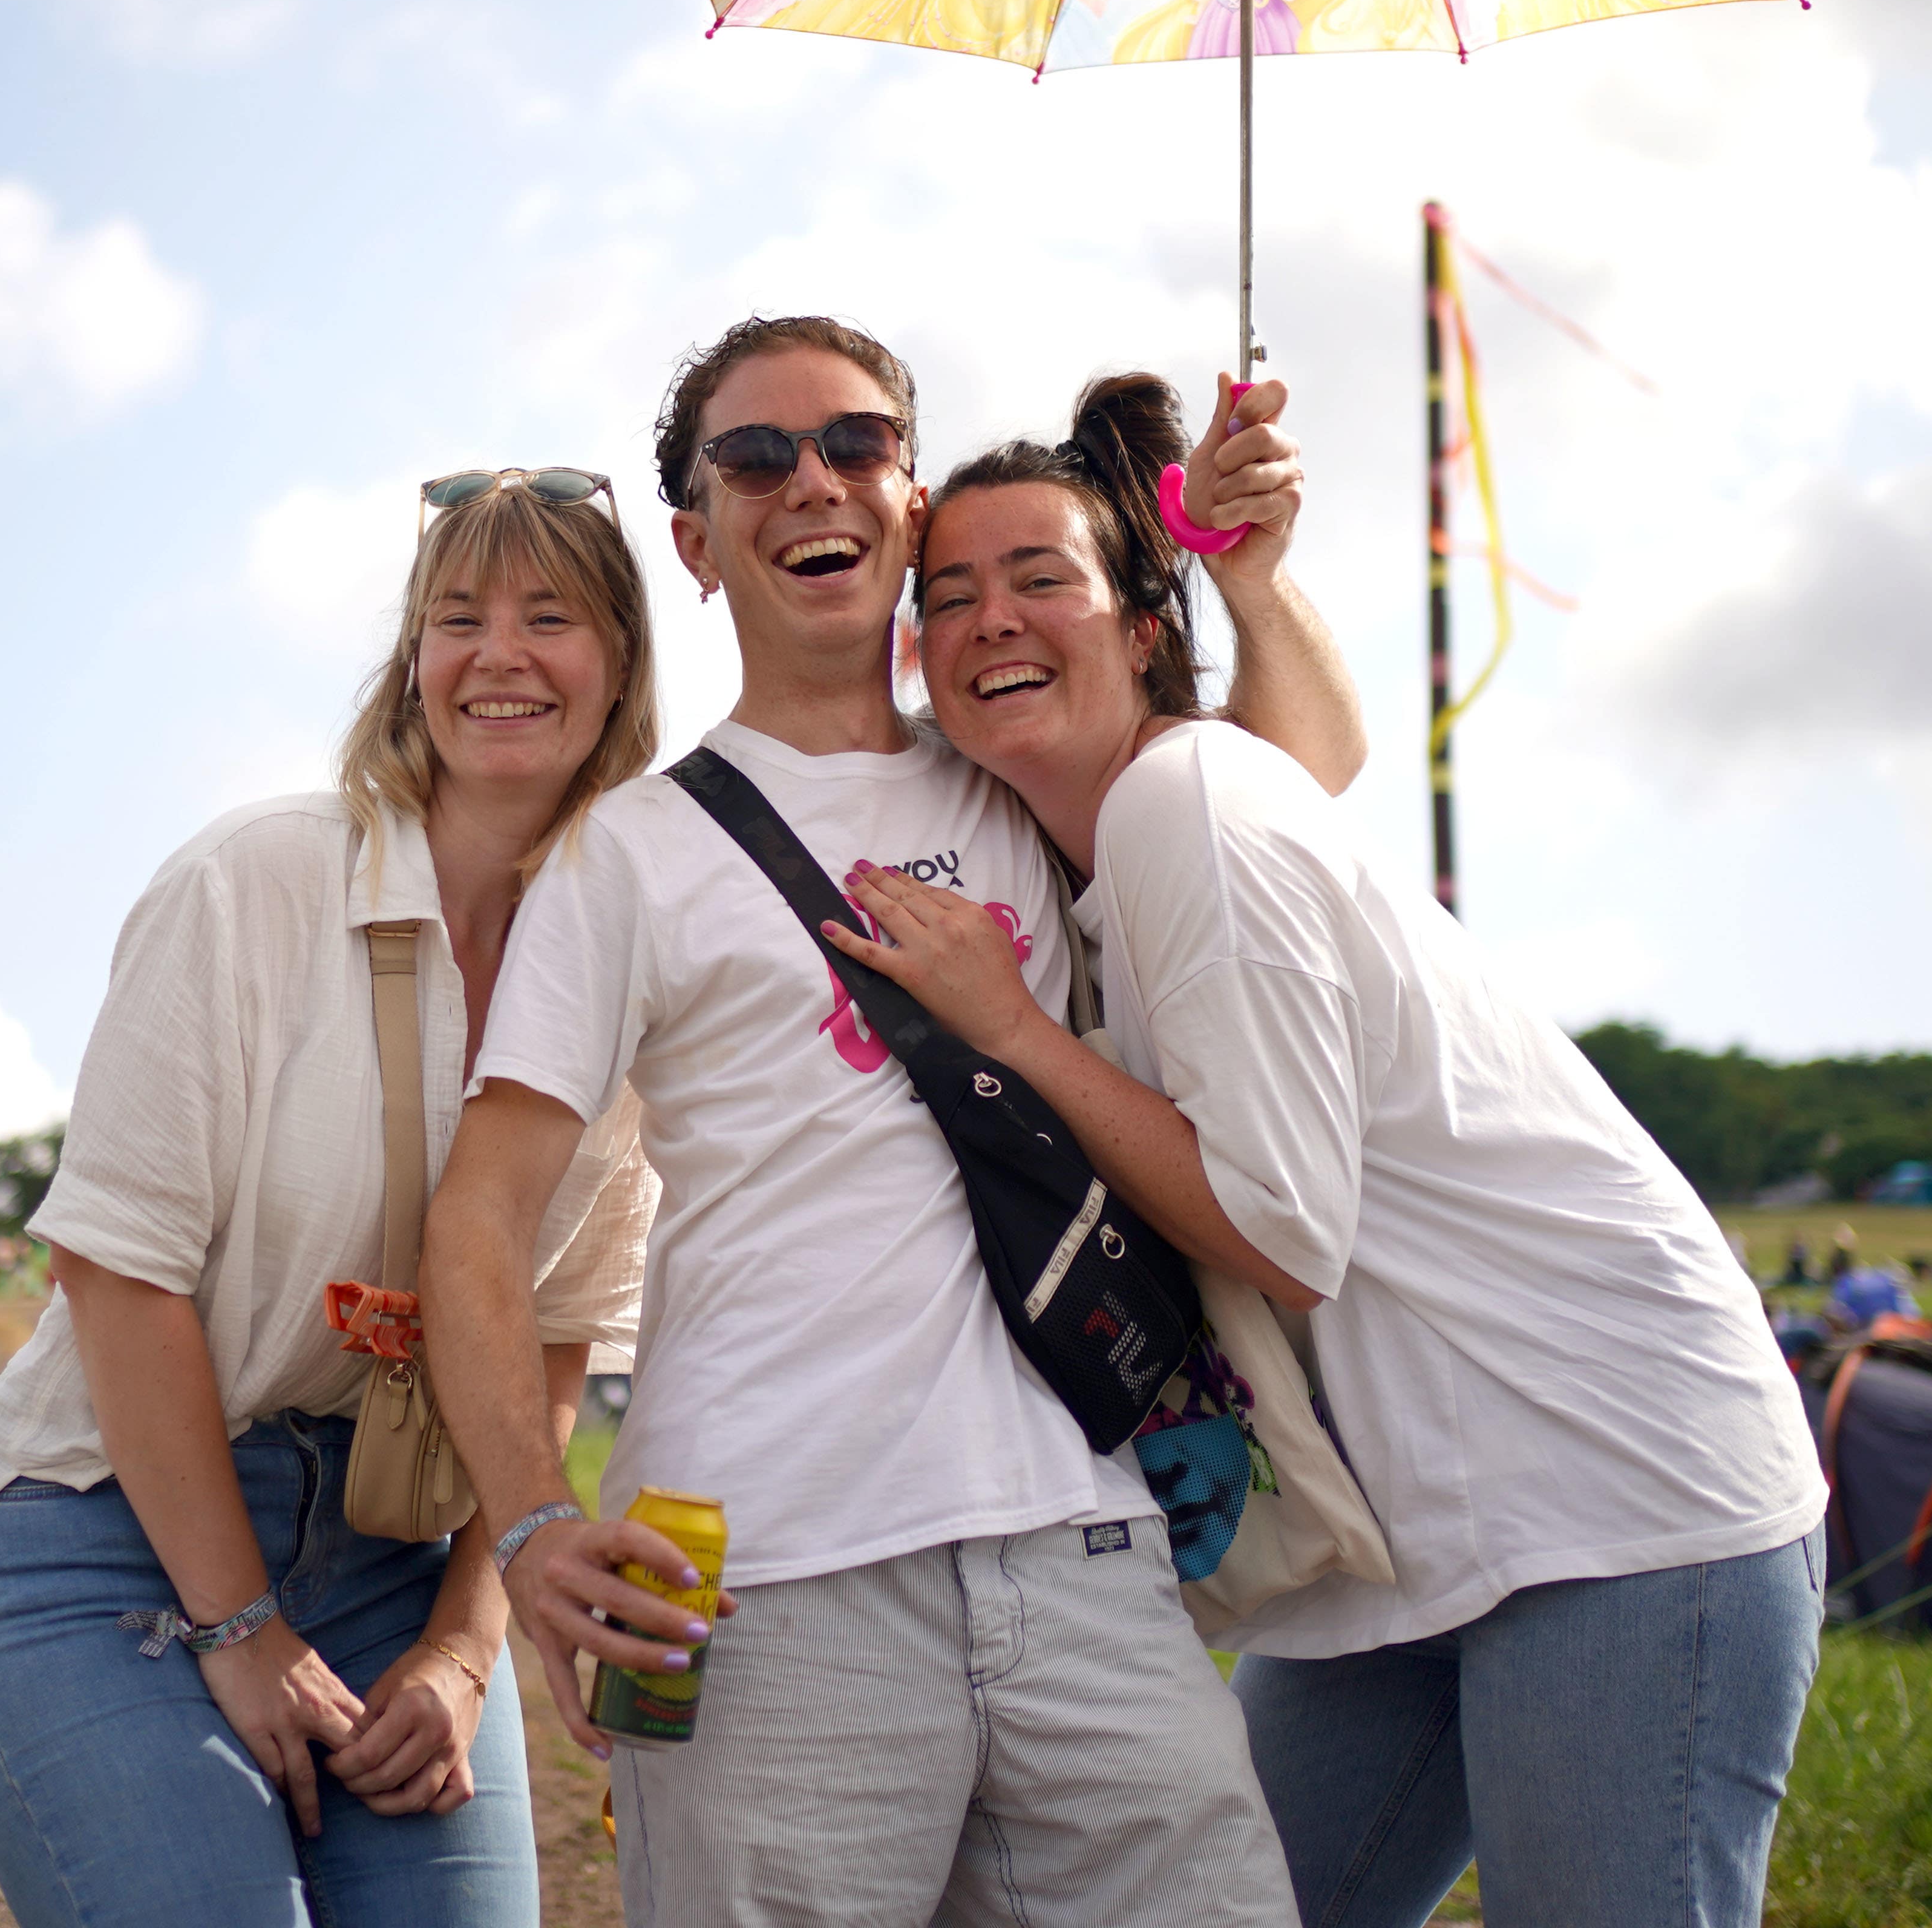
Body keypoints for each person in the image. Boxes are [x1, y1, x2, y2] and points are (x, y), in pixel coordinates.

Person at [825, 374, 1827, 1928]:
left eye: (1041, 577)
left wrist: (1016, 1033)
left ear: (1140, 625)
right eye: (946, 595)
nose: (988, 618)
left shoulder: (1187, 805)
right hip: (1397, 1539)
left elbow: (1279, 1230)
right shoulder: (1124, 825)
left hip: (1610, 1488)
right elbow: (1332, 742)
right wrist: (1256, 577)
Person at [425, 315, 1359, 1928]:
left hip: (1085, 1554)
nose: (813, 483)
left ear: (912, 502)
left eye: (857, 444)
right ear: (696, 544)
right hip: (768, 1580)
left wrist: (1254, 583)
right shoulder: (623, 855)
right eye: (757, 458)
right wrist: (530, 1525)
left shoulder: (1018, 769)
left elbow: (1293, 786)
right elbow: (481, 1217)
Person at [0, 468, 666, 1928]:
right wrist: (239, 1621)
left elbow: (552, 1345)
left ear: (621, 671)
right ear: (413, 663)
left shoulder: (639, 962)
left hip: (403, 1561)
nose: (498, 653)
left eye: (551, 616)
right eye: (456, 617)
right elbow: (120, 1274)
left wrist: (467, 1651)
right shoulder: (250, 882)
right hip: (113, 1533)